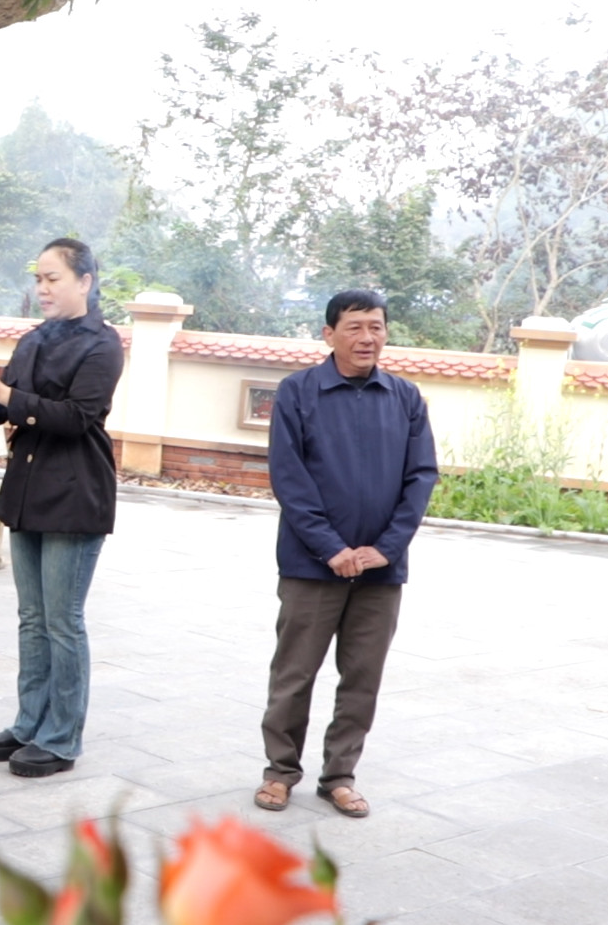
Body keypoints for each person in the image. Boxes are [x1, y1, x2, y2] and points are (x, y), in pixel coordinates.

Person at [253, 289, 437, 819]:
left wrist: (386, 548)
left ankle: (339, 776)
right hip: (311, 566)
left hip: (380, 570)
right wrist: (330, 547)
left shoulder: (405, 397)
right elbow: (289, 476)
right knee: (294, 674)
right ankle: (280, 772)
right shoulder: (298, 392)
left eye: (376, 326)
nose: (367, 337)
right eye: (354, 327)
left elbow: (421, 476)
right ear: (329, 334)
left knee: (362, 678)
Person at [0, 238, 124, 778]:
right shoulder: (33, 340)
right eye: (38, 279)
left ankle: (61, 737)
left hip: (75, 492)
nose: (42, 288)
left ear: (85, 281)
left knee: (62, 621)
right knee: (32, 618)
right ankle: (29, 724)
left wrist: (6, 397)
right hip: (28, 489)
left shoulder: (103, 344)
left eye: (53, 279)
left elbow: (76, 417)